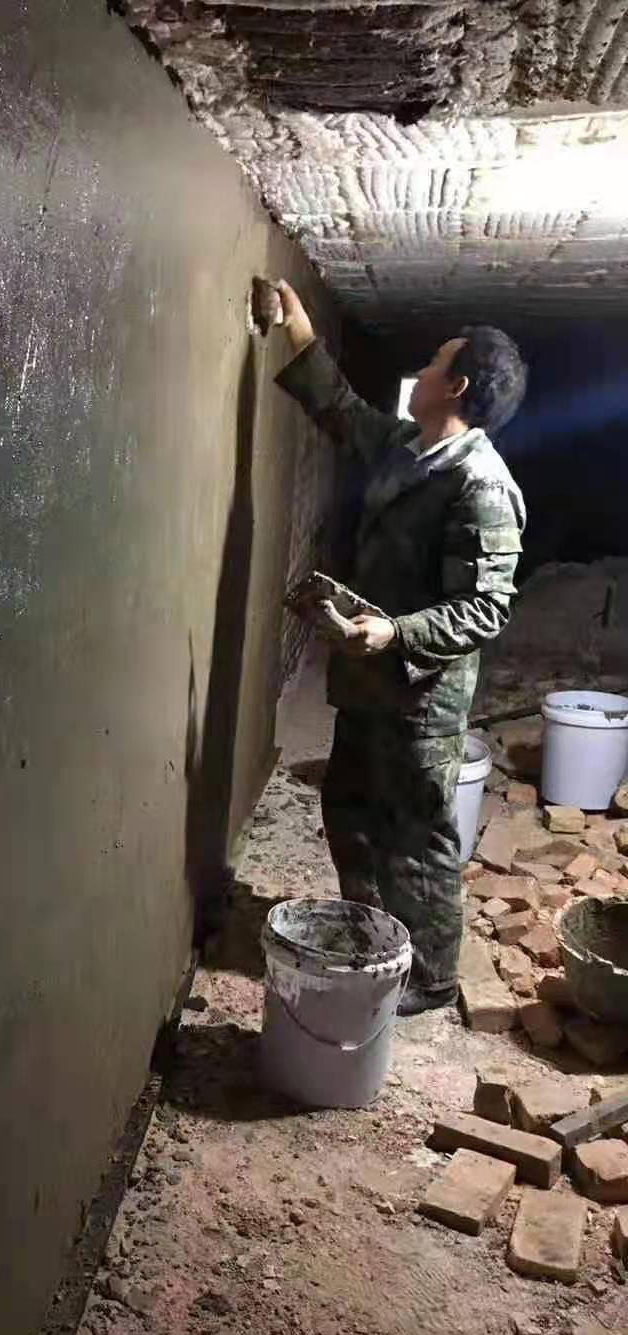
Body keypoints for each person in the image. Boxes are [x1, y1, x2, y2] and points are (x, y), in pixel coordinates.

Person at [268, 279, 528, 1015]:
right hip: (372, 679)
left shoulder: (480, 486)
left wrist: (397, 632)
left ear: (458, 386)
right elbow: (343, 411)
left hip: (420, 697)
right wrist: (298, 330)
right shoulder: (411, 449)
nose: (423, 370)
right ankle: (373, 937)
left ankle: (431, 977)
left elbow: (485, 608)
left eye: (436, 362)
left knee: (415, 837)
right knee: (351, 810)